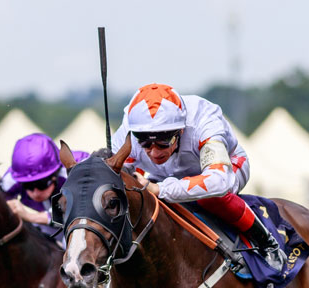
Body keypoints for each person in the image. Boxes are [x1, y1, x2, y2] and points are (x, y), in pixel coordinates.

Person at [111, 83, 283, 268]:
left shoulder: (205, 120)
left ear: (181, 130)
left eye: (163, 143)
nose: (154, 153)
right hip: (163, 177)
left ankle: (267, 243)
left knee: (209, 198)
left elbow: (219, 181)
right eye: (145, 144)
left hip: (226, 168)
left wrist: (160, 188)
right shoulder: (127, 131)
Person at [0, 133, 88, 237]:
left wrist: (29, 216)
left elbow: (81, 209)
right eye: (28, 185)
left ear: (55, 174)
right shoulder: (11, 179)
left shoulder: (77, 168)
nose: (35, 192)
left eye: (41, 184)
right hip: (43, 225)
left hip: (81, 224)